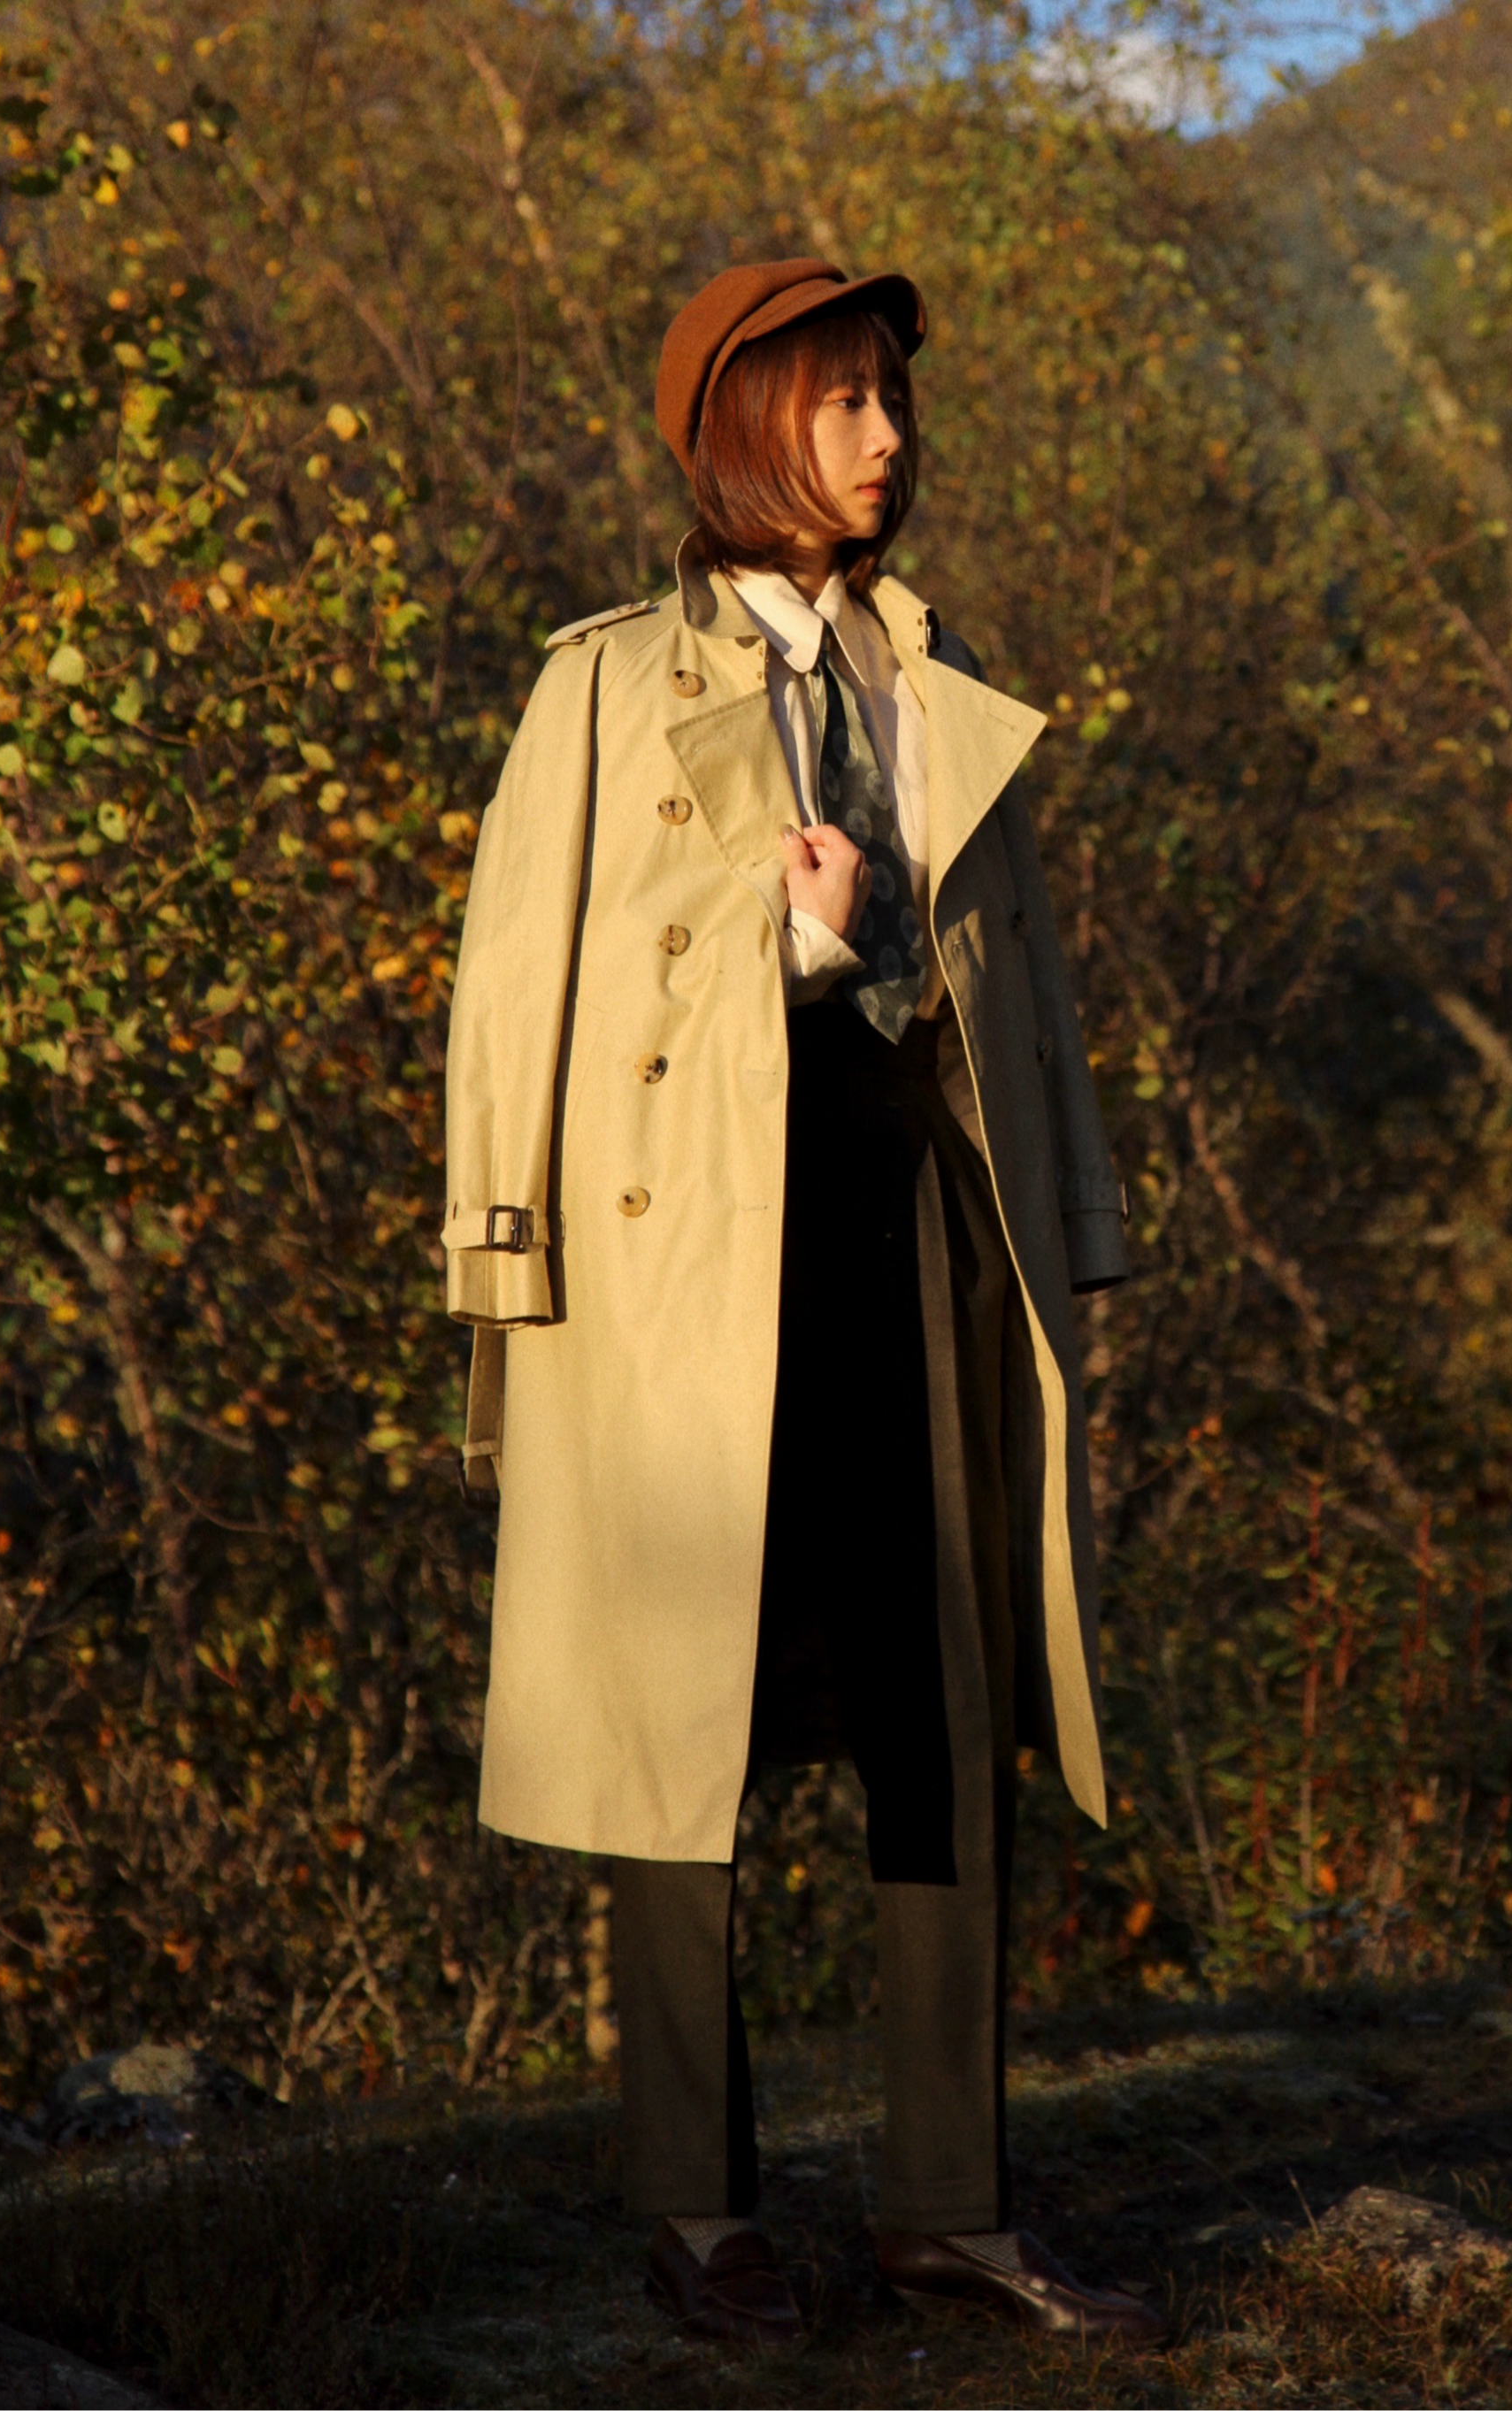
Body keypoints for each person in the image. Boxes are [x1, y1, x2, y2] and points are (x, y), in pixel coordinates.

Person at [441, 257, 1162, 2354]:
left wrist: (1070, 1205)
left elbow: (1025, 1006)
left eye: (894, 405)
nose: (886, 438)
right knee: (683, 1733)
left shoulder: (943, 683)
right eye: (844, 402)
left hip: (933, 1227)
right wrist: (507, 1286)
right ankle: (700, 2210)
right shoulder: (600, 687)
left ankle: (951, 2208)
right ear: (743, 425)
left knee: (954, 1699)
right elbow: (523, 1004)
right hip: (683, 1280)